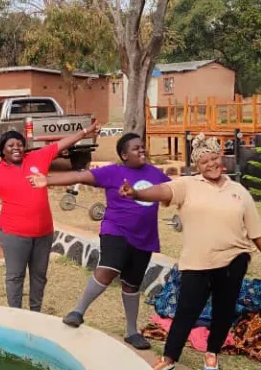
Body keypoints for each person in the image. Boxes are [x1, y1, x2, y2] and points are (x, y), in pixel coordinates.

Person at [118, 133, 261, 370]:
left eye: (215, 158)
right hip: (196, 262)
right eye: (204, 161)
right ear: (197, 165)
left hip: (233, 259)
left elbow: (256, 229)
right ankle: (168, 358)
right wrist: (136, 193)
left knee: (224, 309)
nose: (211, 164)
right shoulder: (187, 186)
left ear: (222, 158)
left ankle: (212, 352)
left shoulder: (238, 191)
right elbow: (163, 191)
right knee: (186, 310)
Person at [0, 124, 99, 312]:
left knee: (39, 275)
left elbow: (62, 144)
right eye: (10, 145)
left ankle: (35, 311)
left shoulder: (38, 157)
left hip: (43, 233)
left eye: (19, 144)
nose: (16, 148)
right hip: (14, 235)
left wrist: (85, 132)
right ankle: (16, 313)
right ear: (2, 151)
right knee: (15, 276)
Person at [27, 133, 170, 349]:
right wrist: (48, 180)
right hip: (116, 230)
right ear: (124, 155)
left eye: (142, 147)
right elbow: (79, 176)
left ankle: (131, 332)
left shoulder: (155, 174)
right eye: (135, 148)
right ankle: (77, 312)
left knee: (132, 284)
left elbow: (175, 192)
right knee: (108, 268)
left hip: (144, 237)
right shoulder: (114, 172)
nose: (142, 150)